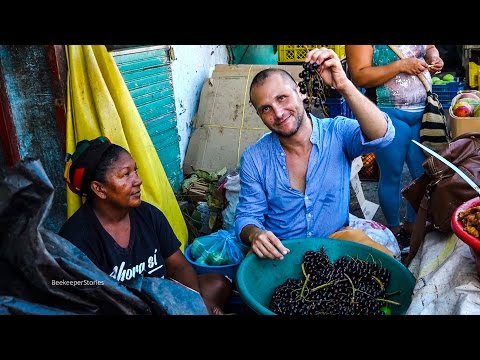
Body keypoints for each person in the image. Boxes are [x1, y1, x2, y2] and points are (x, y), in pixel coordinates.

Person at [234, 47, 395, 260]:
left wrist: (344, 85)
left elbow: (383, 135)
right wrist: (255, 234)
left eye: (282, 98)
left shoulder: (337, 132)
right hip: (282, 254)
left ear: (300, 92)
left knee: (386, 274)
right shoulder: (255, 159)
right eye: (266, 109)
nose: (278, 113)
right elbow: (247, 215)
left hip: (336, 244)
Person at [59, 136, 232, 314]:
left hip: (163, 300)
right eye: (126, 174)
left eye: (135, 171)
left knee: (218, 284)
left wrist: (192, 304)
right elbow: (84, 303)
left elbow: (177, 265)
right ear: (99, 189)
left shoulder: (148, 214)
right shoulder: (76, 239)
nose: (138, 180)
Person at [345, 45, 444, 247]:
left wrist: (434, 58)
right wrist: (400, 66)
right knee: (391, 175)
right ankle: (394, 230)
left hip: (423, 113)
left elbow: (430, 47)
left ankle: (412, 225)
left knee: (423, 174)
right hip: (388, 115)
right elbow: (359, 76)